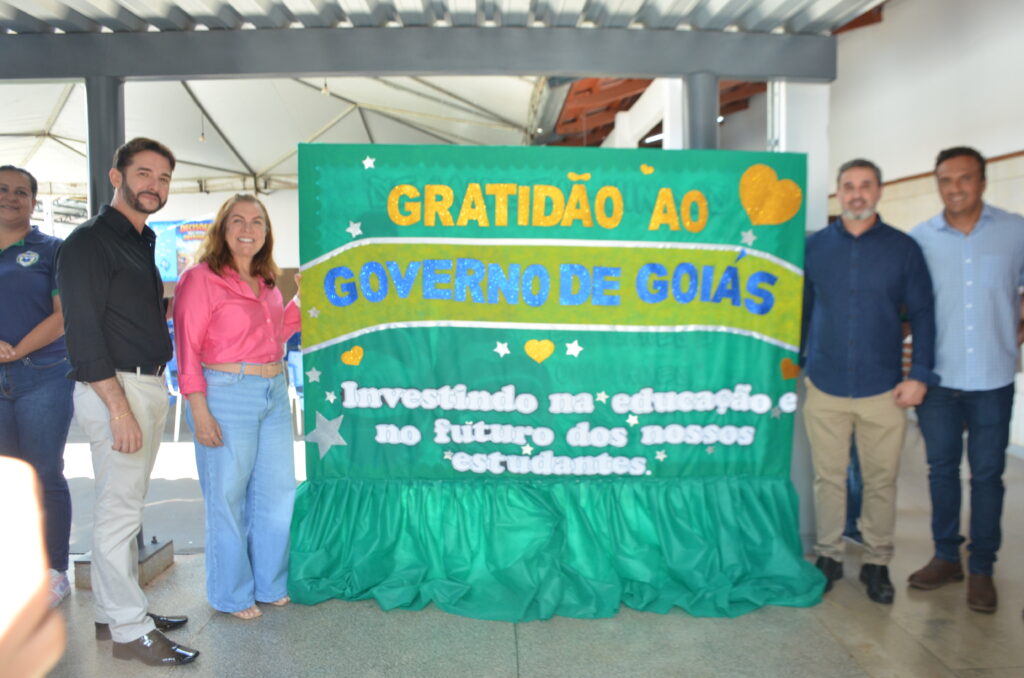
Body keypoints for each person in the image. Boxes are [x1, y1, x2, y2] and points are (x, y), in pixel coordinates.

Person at [56, 137, 199, 666]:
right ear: (116, 177)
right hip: (116, 389)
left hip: (145, 384)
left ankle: (112, 612)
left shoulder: (140, 240)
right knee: (119, 515)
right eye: (143, 174)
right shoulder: (89, 242)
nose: (154, 186)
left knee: (123, 508)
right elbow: (82, 332)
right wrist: (118, 408)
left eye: (163, 178)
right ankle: (129, 632)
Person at [802, 158, 937, 604]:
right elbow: (801, 309)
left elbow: (923, 314)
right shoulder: (815, 247)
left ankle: (877, 562)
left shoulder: (903, 249)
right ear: (838, 192)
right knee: (828, 478)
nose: (857, 194)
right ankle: (828, 556)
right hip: (825, 384)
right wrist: (799, 362)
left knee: (881, 480)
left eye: (865, 185)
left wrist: (919, 375)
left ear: (879, 191)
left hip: (884, 388)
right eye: (849, 186)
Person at [908, 146, 1024, 614]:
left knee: (988, 476)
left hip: (993, 377)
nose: (955, 188)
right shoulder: (920, 239)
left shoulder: (1015, 231)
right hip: (939, 379)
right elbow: (908, 304)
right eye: (945, 180)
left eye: (964, 178)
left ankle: (981, 568)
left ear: (982, 181)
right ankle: (945, 557)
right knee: (941, 472)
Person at [173, 194, 300, 620]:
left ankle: (269, 583)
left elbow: (277, 334)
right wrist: (199, 408)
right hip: (226, 392)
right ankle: (231, 594)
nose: (248, 229)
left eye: (257, 221)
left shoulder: (267, 281)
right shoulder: (200, 279)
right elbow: (186, 348)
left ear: (267, 231)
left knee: (276, 493)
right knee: (227, 496)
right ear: (222, 229)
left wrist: (300, 301)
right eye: (238, 221)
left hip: (273, 390)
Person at [0, 165, 74, 607]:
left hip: (44, 376)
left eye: (20, 192)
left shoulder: (52, 249)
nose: (10, 197)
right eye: (2, 189)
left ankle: (53, 571)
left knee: (44, 473)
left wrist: (14, 351)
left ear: (33, 201)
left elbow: (63, 317)